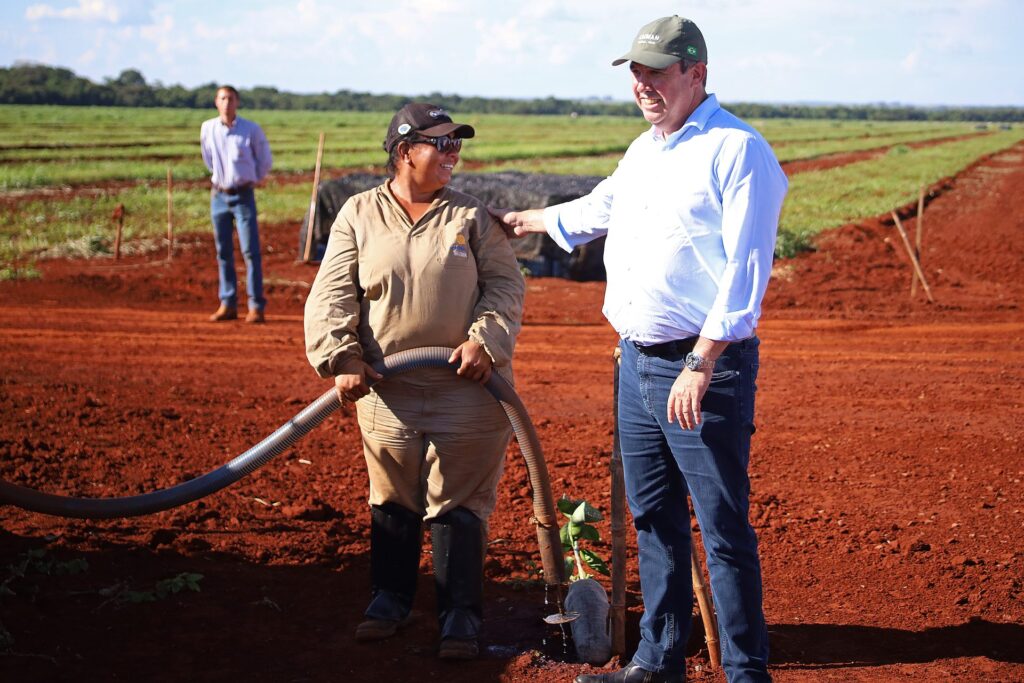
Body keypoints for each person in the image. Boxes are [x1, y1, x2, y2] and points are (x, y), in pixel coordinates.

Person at [493, 16, 787, 683]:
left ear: (697, 74)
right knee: (653, 517)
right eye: (636, 72)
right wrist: (528, 220)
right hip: (637, 363)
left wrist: (702, 362)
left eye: (657, 71)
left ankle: (746, 672)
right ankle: (657, 661)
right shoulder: (646, 150)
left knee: (721, 527)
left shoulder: (737, 151)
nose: (643, 84)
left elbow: (745, 273)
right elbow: (597, 208)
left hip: (700, 368)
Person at [303, 103, 525, 660]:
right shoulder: (358, 213)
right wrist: (341, 356)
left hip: (469, 391)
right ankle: (390, 600)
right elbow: (331, 294)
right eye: (442, 145)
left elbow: (504, 288)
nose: (454, 155)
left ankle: (459, 616)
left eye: (457, 146)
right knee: (393, 497)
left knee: (459, 503)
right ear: (405, 152)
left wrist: (485, 342)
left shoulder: (470, 217)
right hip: (386, 390)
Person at [200, 85, 273, 324]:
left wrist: (253, 179)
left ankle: (255, 305)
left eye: (231, 99)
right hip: (219, 195)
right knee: (223, 252)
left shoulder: (250, 130)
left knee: (250, 251)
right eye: (223, 98)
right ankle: (228, 303)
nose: (227, 103)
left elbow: (264, 161)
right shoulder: (208, 129)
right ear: (216, 102)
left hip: (243, 195)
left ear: (237, 102)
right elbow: (208, 159)